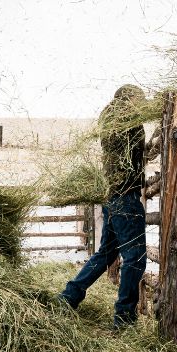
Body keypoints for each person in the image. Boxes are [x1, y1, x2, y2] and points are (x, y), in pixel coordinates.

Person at [60, 84, 147, 328]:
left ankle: (69, 296)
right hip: (125, 197)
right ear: (128, 101)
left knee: (106, 254)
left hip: (112, 196)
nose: (143, 104)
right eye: (139, 100)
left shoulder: (109, 119)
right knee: (135, 257)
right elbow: (134, 153)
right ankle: (124, 317)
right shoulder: (125, 119)